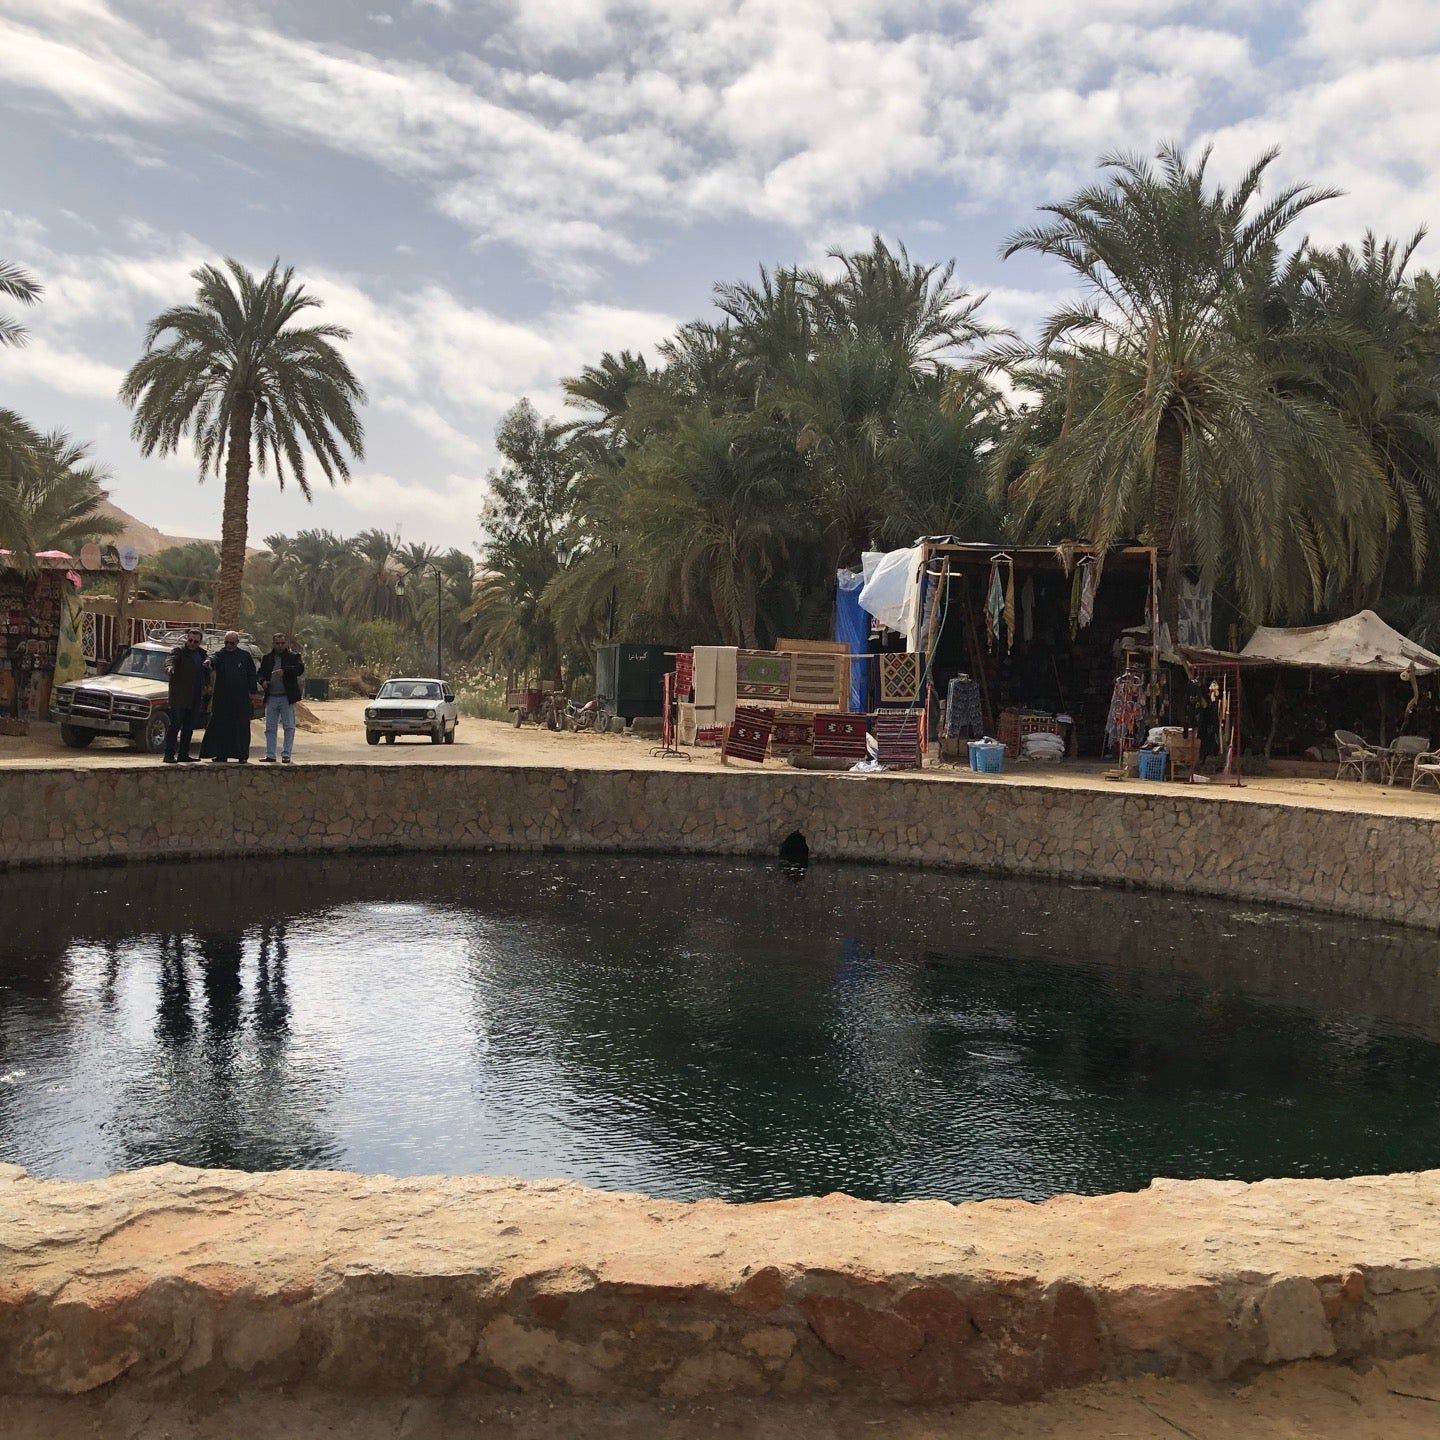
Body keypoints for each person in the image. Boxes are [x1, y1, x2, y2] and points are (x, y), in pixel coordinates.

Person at [200, 631, 257, 762]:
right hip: (222, 699)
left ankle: (242, 756)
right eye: (226, 643)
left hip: (241, 700)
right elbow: (213, 658)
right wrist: (208, 661)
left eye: (231, 643)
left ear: (237, 643)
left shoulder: (245, 656)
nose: (229, 645)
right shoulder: (220, 655)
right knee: (221, 727)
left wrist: (252, 693)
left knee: (241, 727)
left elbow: (251, 675)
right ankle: (221, 754)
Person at [163, 628, 210, 763]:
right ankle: (169, 755)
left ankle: (184, 754)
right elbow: (170, 660)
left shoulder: (202, 654)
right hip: (180, 696)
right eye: (190, 640)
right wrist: (170, 668)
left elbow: (206, 671)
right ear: (186, 639)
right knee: (175, 725)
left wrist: (207, 685)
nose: (192, 643)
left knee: (189, 727)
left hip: (195, 696)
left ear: (200, 642)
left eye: (195, 641)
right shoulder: (179, 652)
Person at [258, 632, 305, 764]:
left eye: (282, 643)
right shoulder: (267, 658)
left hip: (286, 698)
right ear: (273, 644)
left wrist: (285, 671)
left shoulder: (294, 657)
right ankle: (270, 755)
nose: (280, 646)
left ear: (286, 644)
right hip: (272, 697)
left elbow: (300, 669)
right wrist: (263, 682)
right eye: (277, 643)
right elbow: (260, 673)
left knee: (289, 727)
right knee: (270, 728)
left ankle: (286, 754)